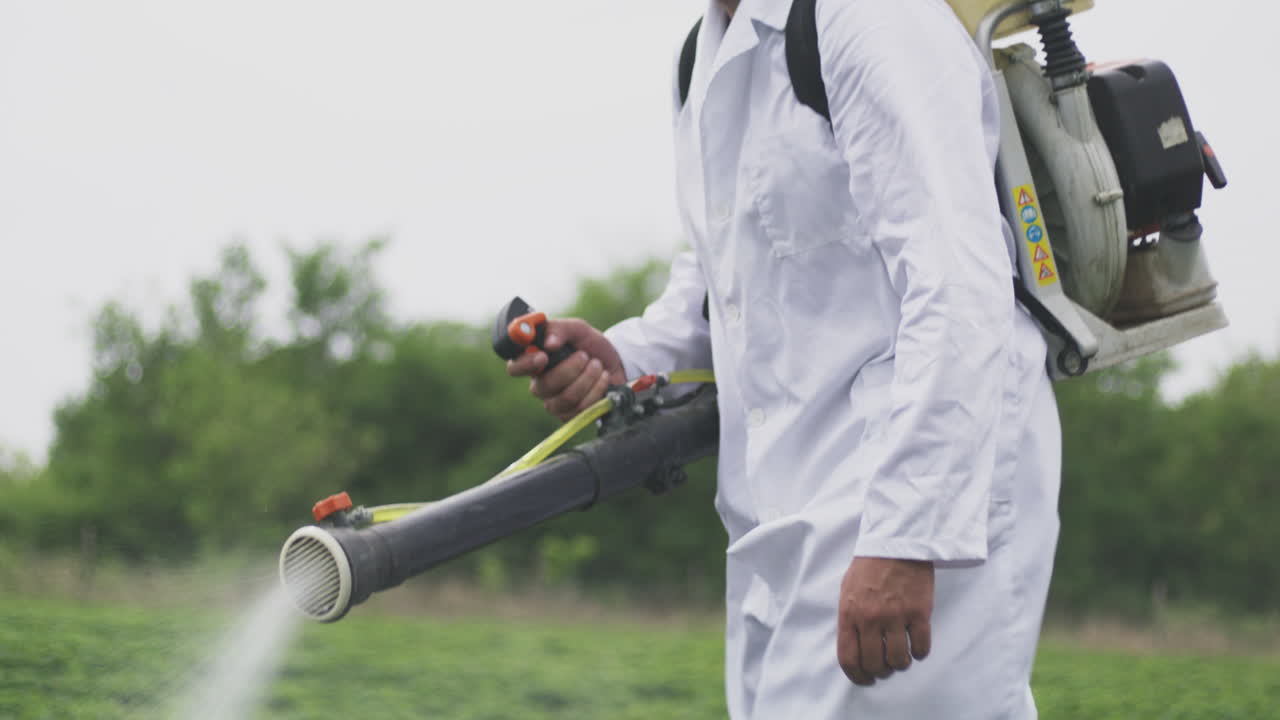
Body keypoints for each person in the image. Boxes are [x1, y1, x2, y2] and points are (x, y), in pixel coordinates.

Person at [507, 0, 1062, 717]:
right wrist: (626, 357)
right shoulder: (702, 55)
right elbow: (730, 279)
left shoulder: (873, 19)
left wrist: (907, 536)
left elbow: (959, 285)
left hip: (902, 493)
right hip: (780, 515)